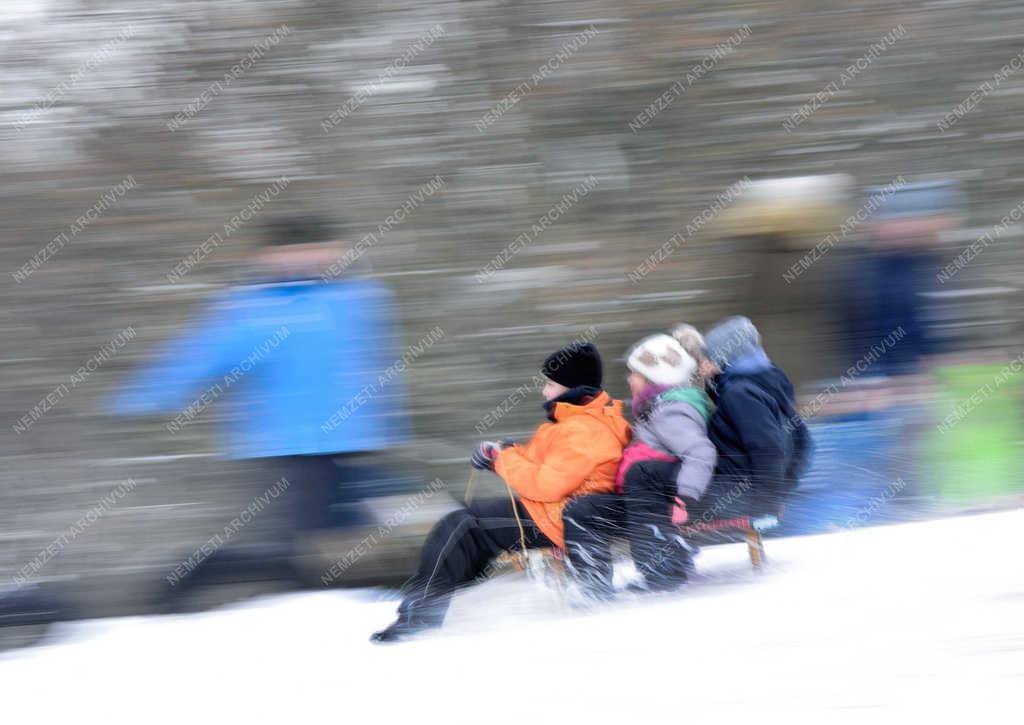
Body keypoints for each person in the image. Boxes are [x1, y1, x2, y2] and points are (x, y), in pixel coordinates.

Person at [110, 216, 412, 601]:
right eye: (291, 252)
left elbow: (378, 367)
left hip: (354, 443)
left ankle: (375, 597)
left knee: (344, 540)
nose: (305, 260)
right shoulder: (253, 308)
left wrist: (386, 425)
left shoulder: (357, 298)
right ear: (267, 257)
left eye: (316, 250)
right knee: (306, 548)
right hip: (290, 448)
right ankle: (189, 581)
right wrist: (146, 396)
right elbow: (200, 357)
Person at [371, 341, 630, 643]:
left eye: (550, 384)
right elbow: (543, 467)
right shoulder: (575, 421)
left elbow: (547, 484)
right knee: (466, 525)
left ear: (571, 387)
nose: (544, 392)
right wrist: (506, 452)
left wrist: (500, 460)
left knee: (460, 527)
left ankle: (419, 620)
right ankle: (449, 606)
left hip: (557, 517)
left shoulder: (586, 429)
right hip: (550, 509)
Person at [563, 334, 716, 598]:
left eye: (634, 374)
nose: (629, 379)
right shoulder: (654, 409)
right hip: (640, 502)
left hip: (664, 501)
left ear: (652, 379)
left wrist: (685, 496)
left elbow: (701, 452)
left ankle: (663, 574)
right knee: (581, 510)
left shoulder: (671, 410)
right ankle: (594, 587)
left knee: (641, 472)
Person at [694, 316, 811, 523]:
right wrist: (786, 483)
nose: (700, 365)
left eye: (705, 358)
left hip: (738, 493)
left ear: (722, 359)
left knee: (657, 484)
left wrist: (766, 505)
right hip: (747, 488)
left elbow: (767, 448)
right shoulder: (762, 385)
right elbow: (803, 439)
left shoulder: (739, 394)